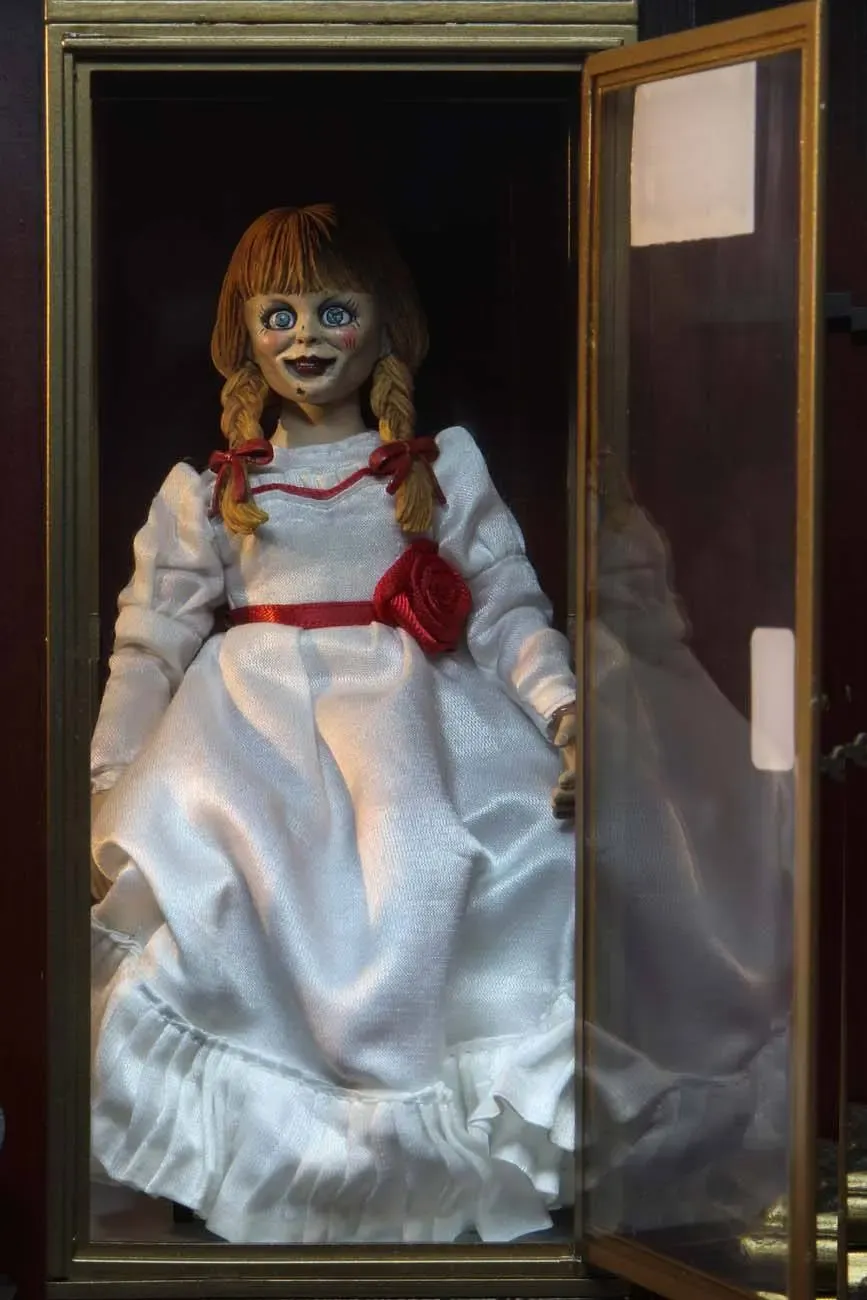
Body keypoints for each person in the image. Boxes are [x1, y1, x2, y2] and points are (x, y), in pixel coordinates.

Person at [89, 204, 579, 1245]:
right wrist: (109, 781)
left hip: (413, 725)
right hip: (249, 743)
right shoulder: (212, 492)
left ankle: (424, 1158)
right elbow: (150, 645)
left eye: (333, 311)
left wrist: (561, 709)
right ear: (244, 334)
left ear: (385, 321)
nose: (305, 337)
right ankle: (273, 1162)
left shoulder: (434, 471)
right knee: (224, 887)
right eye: (278, 315)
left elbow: (504, 603)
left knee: (466, 856)